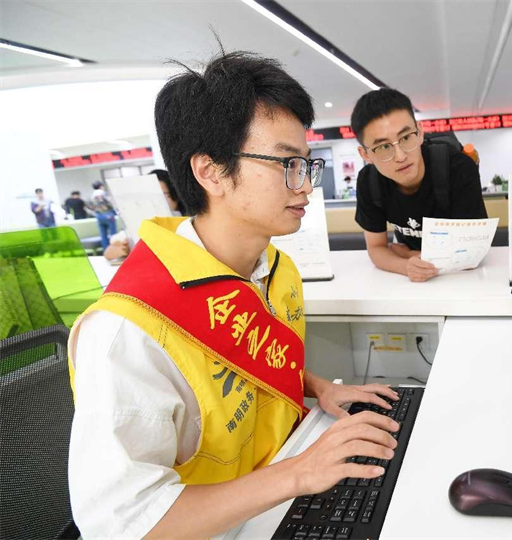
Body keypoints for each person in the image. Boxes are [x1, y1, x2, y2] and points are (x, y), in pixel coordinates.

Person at [68, 50, 399, 539]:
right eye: (288, 163)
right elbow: (121, 523)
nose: (305, 185)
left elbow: (244, 358)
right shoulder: (130, 330)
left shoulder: (274, 267)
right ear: (211, 172)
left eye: (307, 164)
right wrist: (300, 473)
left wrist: (319, 387)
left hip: (280, 497)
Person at [352, 88, 487, 282]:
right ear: (365, 155)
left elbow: (472, 254)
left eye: (406, 137)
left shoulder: (458, 168)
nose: (400, 156)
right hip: (412, 286)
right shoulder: (368, 181)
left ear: (420, 132)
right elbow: (376, 248)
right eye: (383, 147)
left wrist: (407, 254)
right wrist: (406, 265)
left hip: (464, 281)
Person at [101, 169, 187, 261]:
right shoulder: (144, 222)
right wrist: (124, 249)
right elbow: (108, 253)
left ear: (176, 195)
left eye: (163, 195)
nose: (156, 202)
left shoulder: (188, 222)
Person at [89, 181, 117, 250]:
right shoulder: (103, 193)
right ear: (100, 186)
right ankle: (114, 250)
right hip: (108, 214)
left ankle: (106, 250)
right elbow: (111, 202)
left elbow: (91, 207)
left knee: (103, 235)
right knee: (113, 234)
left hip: (99, 216)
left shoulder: (92, 196)